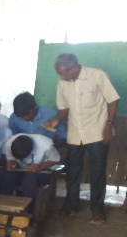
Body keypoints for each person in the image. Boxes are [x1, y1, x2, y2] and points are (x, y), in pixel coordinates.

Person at [45, 53, 120, 224]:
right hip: (75, 133)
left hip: (97, 131)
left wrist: (108, 126)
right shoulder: (62, 83)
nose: (62, 78)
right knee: (73, 171)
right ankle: (71, 206)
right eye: (60, 75)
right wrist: (57, 119)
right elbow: (64, 108)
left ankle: (97, 211)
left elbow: (113, 100)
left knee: (97, 172)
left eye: (64, 74)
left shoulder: (97, 75)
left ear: (74, 67)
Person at [3, 134, 60, 213]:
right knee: (8, 175)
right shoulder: (10, 143)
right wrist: (12, 163)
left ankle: (27, 212)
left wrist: (40, 166)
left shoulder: (46, 145)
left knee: (29, 178)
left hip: (42, 173)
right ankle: (4, 209)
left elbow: (56, 159)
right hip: (21, 171)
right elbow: (10, 160)